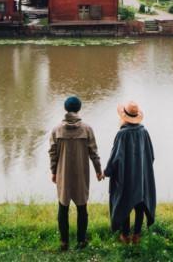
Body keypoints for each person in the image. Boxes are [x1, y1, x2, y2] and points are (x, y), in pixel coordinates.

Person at [48, 95, 103, 251]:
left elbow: (52, 153)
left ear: (65, 109)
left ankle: (64, 242)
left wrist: (53, 172)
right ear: (79, 109)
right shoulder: (87, 129)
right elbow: (93, 152)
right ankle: (81, 241)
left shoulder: (56, 130)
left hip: (63, 174)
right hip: (81, 174)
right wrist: (98, 171)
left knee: (63, 207)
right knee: (82, 208)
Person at [103, 100, 156, 245]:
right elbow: (151, 156)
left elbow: (115, 158)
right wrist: (142, 169)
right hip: (140, 177)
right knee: (139, 204)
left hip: (125, 178)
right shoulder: (144, 132)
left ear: (123, 116)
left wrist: (106, 172)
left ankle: (125, 235)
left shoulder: (122, 134)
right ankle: (137, 235)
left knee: (125, 204)